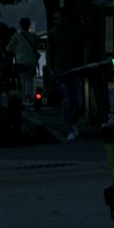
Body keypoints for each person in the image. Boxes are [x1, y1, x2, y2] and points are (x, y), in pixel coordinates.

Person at [47, 10, 86, 140]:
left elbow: (84, 47)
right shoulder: (53, 34)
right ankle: (68, 128)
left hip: (76, 69)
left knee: (79, 103)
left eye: (58, 18)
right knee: (66, 101)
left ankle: (72, 122)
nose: (56, 21)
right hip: (61, 69)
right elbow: (49, 51)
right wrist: (51, 68)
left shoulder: (78, 31)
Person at [8, 17, 42, 104]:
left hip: (20, 61)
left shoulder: (16, 37)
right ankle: (29, 95)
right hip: (31, 60)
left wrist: (15, 51)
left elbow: (8, 48)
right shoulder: (33, 36)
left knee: (22, 79)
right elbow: (39, 45)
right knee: (30, 79)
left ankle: (23, 97)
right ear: (29, 25)